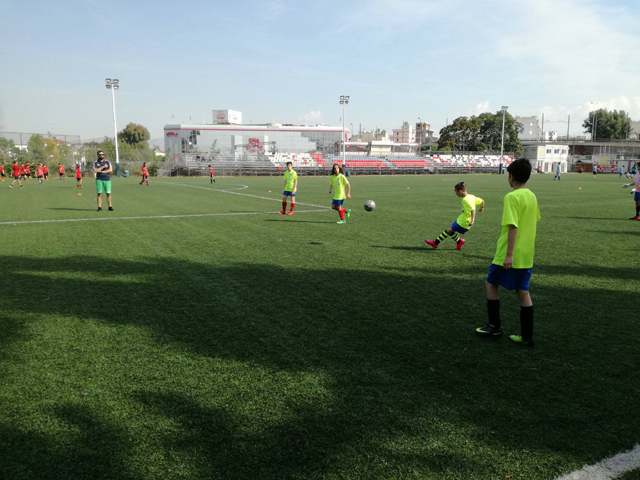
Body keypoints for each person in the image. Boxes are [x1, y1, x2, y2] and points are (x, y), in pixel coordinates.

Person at [475, 158, 540, 346]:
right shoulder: (532, 196)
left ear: (511, 177)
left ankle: (494, 326)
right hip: (526, 254)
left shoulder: (511, 197)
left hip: (508, 252)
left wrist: (509, 254)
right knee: (523, 292)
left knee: (491, 284)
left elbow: (513, 226)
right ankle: (527, 336)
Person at [425, 182, 484, 251]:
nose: (456, 194)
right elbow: (482, 201)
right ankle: (459, 242)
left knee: (449, 230)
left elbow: (472, 210)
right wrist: (482, 207)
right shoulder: (471, 196)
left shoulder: (466, 200)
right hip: (461, 219)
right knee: (449, 230)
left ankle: (435, 243)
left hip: (464, 221)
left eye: (456, 192)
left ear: (460, 191)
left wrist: (472, 220)